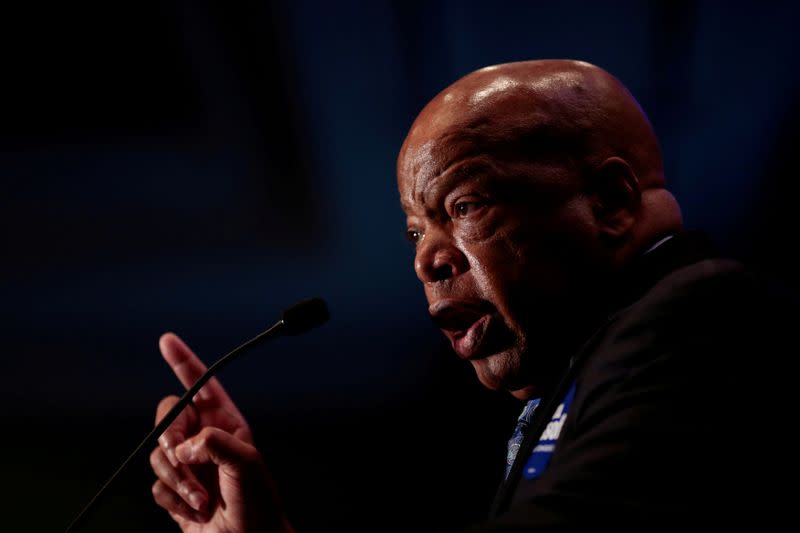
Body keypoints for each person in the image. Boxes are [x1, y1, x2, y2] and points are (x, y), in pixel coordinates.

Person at [149, 59, 793, 531]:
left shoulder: (705, 317)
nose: (427, 258)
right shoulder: (587, 374)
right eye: (413, 232)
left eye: (464, 205)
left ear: (612, 203)